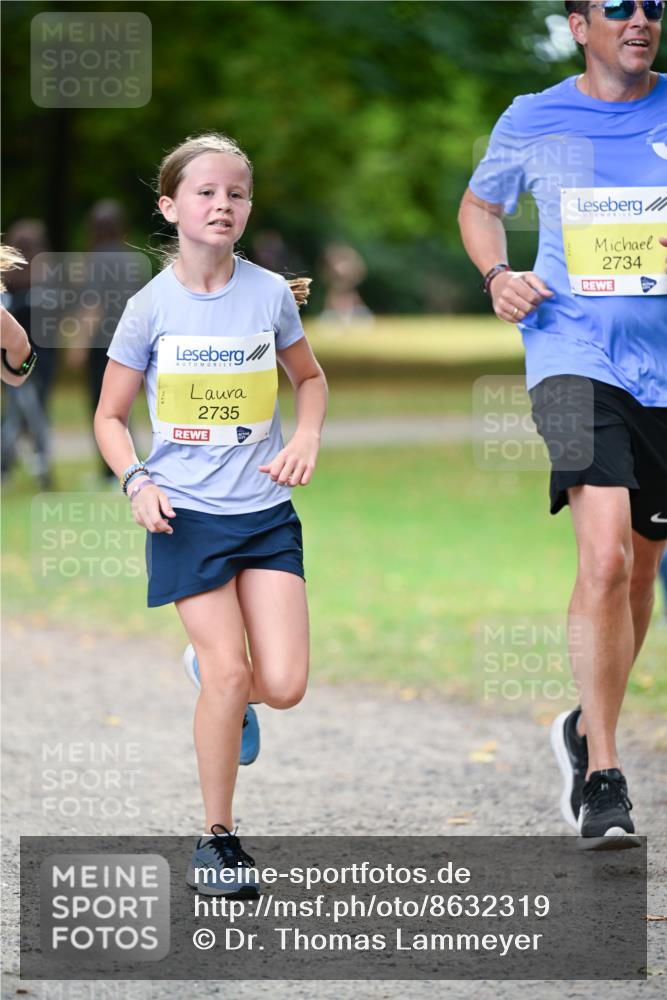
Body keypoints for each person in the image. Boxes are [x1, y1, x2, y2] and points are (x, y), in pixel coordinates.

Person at [94, 133, 327, 892]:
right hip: (185, 516)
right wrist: (136, 481)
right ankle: (216, 840)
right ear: (169, 206)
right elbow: (107, 418)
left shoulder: (265, 294)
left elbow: (310, 380)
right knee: (232, 674)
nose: (221, 204)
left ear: (248, 206)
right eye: (205, 192)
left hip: (263, 511)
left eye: (235, 193)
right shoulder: (147, 308)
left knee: (284, 683)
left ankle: (215, 678)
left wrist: (308, 438)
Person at [459, 0, 666, 849]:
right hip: (570, 353)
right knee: (605, 550)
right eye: (617, 6)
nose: (640, 17)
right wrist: (497, 273)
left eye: (652, 3)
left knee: (642, 569)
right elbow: (479, 207)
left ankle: (584, 723)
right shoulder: (533, 117)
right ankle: (605, 776)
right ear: (578, 24)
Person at [1, 224, 52, 485]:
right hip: (27, 361)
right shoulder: (11, 286)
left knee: (27, 414)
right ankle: (27, 465)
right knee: (25, 415)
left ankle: (22, 465)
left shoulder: (44, 279)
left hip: (32, 360)